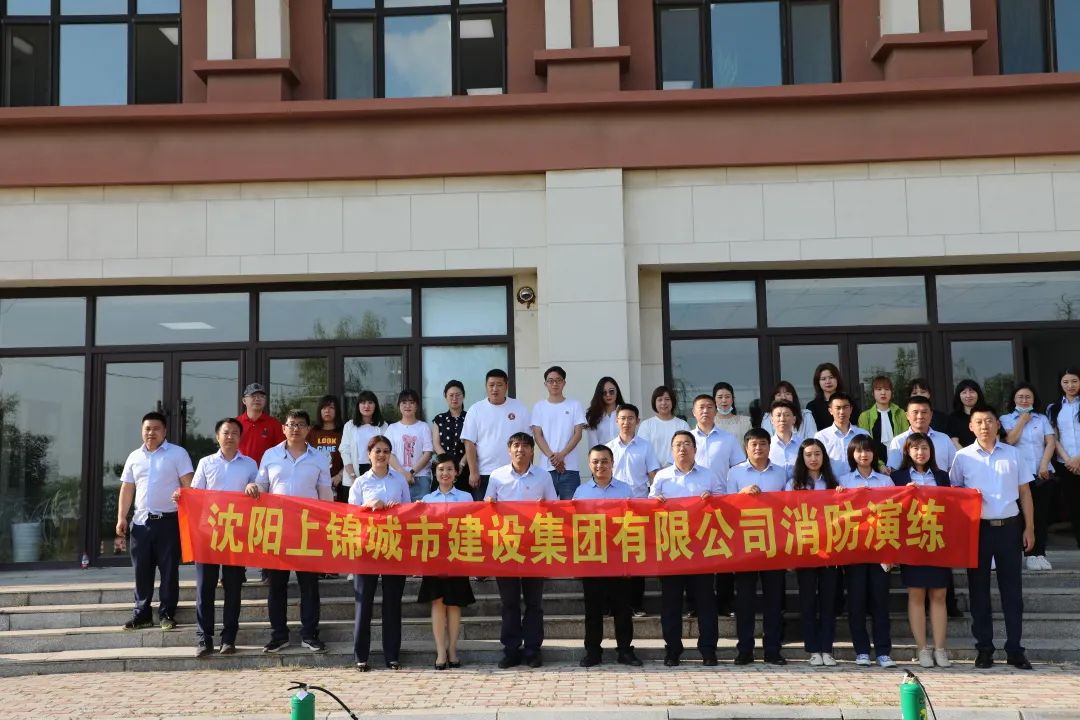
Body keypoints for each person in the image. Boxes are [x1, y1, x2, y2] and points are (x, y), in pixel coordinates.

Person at [950, 405, 1034, 670]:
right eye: (979, 422)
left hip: (1010, 528)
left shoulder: (1013, 454)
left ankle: (1015, 649)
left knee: (1012, 592)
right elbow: (954, 494)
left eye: (989, 421)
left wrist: (1030, 528)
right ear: (971, 427)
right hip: (978, 530)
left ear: (998, 424)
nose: (984, 426)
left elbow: (1025, 493)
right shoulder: (962, 457)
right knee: (978, 591)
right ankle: (984, 649)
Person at [178, 418, 260, 657]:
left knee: (233, 588)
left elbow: (260, 490)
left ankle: (229, 638)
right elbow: (195, 493)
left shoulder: (250, 464)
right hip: (208, 532)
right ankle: (204, 639)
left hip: (236, 533)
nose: (230, 436)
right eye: (226, 432)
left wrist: (254, 487)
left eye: (235, 433)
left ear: (240, 438)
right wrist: (182, 495)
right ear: (217, 436)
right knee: (205, 587)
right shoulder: (206, 463)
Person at [256, 409, 333, 654]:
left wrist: (327, 527)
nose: (296, 429)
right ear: (283, 428)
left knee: (309, 585)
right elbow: (262, 486)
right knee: (276, 585)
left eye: (301, 424)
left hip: (308, 529)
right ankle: (279, 635)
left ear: (309, 429)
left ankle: (309, 634)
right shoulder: (270, 455)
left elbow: (325, 495)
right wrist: (253, 487)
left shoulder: (319, 458)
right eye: (291, 424)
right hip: (277, 528)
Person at [649, 430, 724, 667]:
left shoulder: (708, 476)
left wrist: (712, 500)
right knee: (671, 604)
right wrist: (656, 503)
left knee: (705, 603)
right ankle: (672, 650)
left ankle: (708, 650)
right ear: (671, 450)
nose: (682, 448)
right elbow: (649, 508)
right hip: (672, 548)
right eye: (678, 445)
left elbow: (724, 506)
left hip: (701, 549)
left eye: (687, 444)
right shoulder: (662, 477)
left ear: (695, 449)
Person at [116, 411, 194, 632]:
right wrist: (121, 517)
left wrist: (185, 502)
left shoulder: (177, 454)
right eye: (147, 429)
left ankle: (167, 614)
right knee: (142, 571)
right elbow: (127, 488)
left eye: (156, 428)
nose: (151, 433)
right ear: (142, 431)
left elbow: (189, 485)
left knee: (169, 571)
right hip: (141, 523)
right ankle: (142, 614)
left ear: (165, 431)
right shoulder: (134, 457)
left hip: (168, 522)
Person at [485, 432, 557, 668]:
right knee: (509, 602)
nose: (520, 450)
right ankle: (511, 649)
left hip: (534, 546)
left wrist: (543, 508)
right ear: (509, 450)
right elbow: (487, 508)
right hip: (505, 547)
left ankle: (533, 649)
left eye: (525, 446)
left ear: (532, 451)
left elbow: (554, 508)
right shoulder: (497, 476)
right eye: (516, 445)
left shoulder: (543, 476)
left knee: (534, 602)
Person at [573, 445, 642, 667]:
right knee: (593, 610)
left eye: (604, 461)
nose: (600, 465)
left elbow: (635, 522)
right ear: (589, 464)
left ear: (612, 463)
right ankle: (593, 652)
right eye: (595, 461)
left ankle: (625, 651)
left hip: (618, 558)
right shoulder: (581, 492)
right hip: (592, 559)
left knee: (622, 608)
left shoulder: (625, 490)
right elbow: (573, 526)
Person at [726, 427, 789, 665]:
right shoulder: (735, 473)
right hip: (745, 544)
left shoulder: (781, 473)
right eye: (754, 444)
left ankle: (773, 649)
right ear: (746, 448)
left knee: (774, 600)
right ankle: (745, 649)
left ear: (769, 447)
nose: (758, 448)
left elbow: (790, 505)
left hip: (774, 543)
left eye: (763, 444)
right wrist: (741, 494)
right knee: (745, 600)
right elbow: (725, 506)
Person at [349, 435, 411, 671]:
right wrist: (369, 507)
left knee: (392, 604)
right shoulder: (360, 483)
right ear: (369, 454)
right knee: (363, 603)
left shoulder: (400, 480)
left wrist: (397, 509)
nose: (382, 455)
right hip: (366, 549)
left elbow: (409, 512)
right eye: (377, 451)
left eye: (386, 451)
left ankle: (392, 655)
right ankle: (361, 656)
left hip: (394, 547)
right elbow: (350, 515)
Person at [892, 433, 952, 669]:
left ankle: (940, 649)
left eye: (924, 448)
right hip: (912, 541)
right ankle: (922, 649)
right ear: (907, 451)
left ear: (931, 451)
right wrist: (905, 494)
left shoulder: (942, 476)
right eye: (915, 448)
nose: (920, 452)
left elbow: (952, 505)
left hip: (937, 540)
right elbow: (890, 509)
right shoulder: (897, 477)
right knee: (916, 594)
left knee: (939, 594)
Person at [840, 434, 896, 668]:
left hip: (880, 549)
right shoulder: (844, 481)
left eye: (868, 450)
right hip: (854, 549)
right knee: (857, 602)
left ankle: (883, 651)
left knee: (880, 602)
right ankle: (861, 650)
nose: (864, 455)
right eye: (859, 451)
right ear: (852, 455)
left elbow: (895, 514)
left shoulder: (885, 481)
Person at [417, 453, 475, 670]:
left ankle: (453, 650)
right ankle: (440, 651)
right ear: (435, 472)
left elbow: (473, 526)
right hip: (434, 557)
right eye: (441, 469)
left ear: (456, 473)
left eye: (450, 469)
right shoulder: (426, 500)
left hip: (457, 555)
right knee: (438, 601)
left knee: (454, 603)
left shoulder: (466, 498)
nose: (445, 473)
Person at [786, 438, 840, 667]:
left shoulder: (833, 483)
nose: (813, 459)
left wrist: (841, 495)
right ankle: (813, 649)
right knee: (808, 601)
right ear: (802, 458)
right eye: (808, 455)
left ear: (824, 457)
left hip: (830, 550)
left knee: (829, 602)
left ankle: (827, 648)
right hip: (805, 549)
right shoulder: (793, 484)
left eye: (817, 454)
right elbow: (786, 516)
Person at [606, 403, 660, 615]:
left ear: (637, 421)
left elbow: (654, 476)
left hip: (638, 508)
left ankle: (636, 604)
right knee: (614, 557)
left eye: (630, 418)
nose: (626, 422)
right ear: (616, 421)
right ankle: (614, 605)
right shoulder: (608, 448)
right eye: (622, 418)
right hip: (614, 510)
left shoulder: (646, 447)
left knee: (637, 558)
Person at [1001, 383, 1056, 571]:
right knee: (1023, 517)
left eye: (1028, 397)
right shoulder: (1005, 419)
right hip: (1018, 475)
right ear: (1014, 399)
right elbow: (1009, 440)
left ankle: (1040, 553)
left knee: (1041, 515)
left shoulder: (1042, 418)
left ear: (1034, 399)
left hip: (1041, 473)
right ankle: (1028, 554)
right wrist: (1022, 421)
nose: (1024, 400)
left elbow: (1050, 442)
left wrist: (1044, 464)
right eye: (1020, 397)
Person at [461, 369, 532, 501]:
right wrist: (473, 472)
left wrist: (529, 469)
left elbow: (528, 441)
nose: (495, 389)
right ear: (486, 386)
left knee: (513, 511)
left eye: (499, 385)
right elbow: (469, 442)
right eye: (491, 385)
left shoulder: (519, 407)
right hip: (485, 473)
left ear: (506, 386)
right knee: (485, 512)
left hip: (514, 472)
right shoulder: (476, 410)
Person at [531, 365, 587, 500]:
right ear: (545, 384)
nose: (554, 384)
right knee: (545, 508)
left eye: (558, 380)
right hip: (546, 468)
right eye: (550, 381)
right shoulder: (539, 407)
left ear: (564, 383)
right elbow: (537, 435)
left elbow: (578, 434)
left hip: (570, 467)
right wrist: (553, 458)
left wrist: (562, 455)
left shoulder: (575, 405)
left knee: (570, 508)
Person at [1048, 367, 1080, 550]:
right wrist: (1069, 460)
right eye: (1066, 382)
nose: (1070, 385)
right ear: (1060, 384)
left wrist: (1078, 459)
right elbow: (1053, 437)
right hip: (1066, 465)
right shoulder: (1053, 408)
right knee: (1074, 507)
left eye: (1074, 381)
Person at [385, 389, 434, 502]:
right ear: (399, 405)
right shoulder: (392, 428)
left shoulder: (424, 427)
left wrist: (411, 472)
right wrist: (403, 473)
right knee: (397, 510)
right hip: (396, 478)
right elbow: (388, 453)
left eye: (411, 402)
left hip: (421, 478)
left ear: (416, 406)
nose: (408, 406)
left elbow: (428, 453)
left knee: (421, 511)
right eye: (404, 402)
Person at [886, 395, 957, 473]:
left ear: (931, 415)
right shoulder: (898, 441)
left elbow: (954, 469)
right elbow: (894, 471)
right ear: (907, 415)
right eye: (915, 412)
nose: (920, 416)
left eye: (924, 412)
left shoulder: (944, 439)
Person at [339, 390, 388, 497]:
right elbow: (345, 451)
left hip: (376, 471)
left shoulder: (383, 426)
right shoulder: (350, 426)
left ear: (375, 405)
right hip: (353, 472)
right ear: (358, 405)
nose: (366, 406)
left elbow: (387, 452)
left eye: (370, 402)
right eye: (363, 402)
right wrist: (353, 476)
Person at [856, 375, 908, 471]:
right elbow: (865, 444)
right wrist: (880, 466)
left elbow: (907, 440)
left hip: (901, 465)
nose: (883, 393)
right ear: (873, 393)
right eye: (879, 389)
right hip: (874, 465)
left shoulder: (900, 413)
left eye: (887, 389)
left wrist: (900, 464)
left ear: (891, 392)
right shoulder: (865, 416)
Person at [814, 392, 869, 480]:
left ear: (851, 409)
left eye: (845, 407)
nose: (842, 412)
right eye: (838, 408)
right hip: (832, 484)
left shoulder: (863, 434)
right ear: (830, 410)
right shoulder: (821, 437)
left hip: (859, 483)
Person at [638, 385, 690, 468]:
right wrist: (654, 469)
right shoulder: (646, 425)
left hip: (677, 470)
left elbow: (686, 448)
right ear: (654, 403)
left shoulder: (682, 425)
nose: (663, 403)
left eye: (667, 399)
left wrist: (669, 467)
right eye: (660, 400)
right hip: (652, 472)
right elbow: (643, 450)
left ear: (672, 401)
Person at [432, 380, 469, 493]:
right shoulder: (439, 419)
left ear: (463, 396)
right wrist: (448, 464)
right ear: (445, 397)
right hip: (443, 469)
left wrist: (461, 464)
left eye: (458, 395)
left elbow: (473, 444)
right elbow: (436, 444)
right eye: (451, 395)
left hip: (464, 468)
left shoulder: (470, 418)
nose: (454, 398)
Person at [236, 382, 284, 465]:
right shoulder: (235, 424)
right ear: (244, 400)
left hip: (266, 470)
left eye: (261, 396)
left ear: (265, 401)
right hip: (240, 469)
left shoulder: (274, 424)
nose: (257, 399)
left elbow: (281, 451)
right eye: (253, 396)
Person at [307, 394, 345, 501]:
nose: (327, 411)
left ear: (337, 411)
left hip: (338, 484)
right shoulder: (312, 432)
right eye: (324, 408)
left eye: (331, 407)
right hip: (314, 484)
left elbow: (350, 458)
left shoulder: (344, 431)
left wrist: (340, 475)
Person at [806, 363, 848, 431]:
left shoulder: (847, 402)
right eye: (823, 379)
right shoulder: (812, 406)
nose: (828, 382)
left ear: (837, 379)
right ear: (818, 382)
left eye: (831, 377)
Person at [585, 376, 624, 449]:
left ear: (617, 392)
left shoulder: (625, 413)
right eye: (604, 392)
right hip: (602, 455)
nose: (608, 395)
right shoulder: (593, 416)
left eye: (611, 391)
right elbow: (593, 445)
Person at [766, 399, 801, 478]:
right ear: (772, 420)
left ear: (794, 419)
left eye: (786, 415)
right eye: (778, 415)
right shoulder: (767, 445)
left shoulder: (803, 444)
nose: (782, 419)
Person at [948, 379, 986, 450]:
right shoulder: (954, 417)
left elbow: (995, 436)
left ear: (978, 394)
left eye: (972, 392)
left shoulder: (987, 413)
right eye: (964, 392)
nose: (968, 396)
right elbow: (954, 441)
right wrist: (967, 455)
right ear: (959, 396)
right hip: (964, 455)